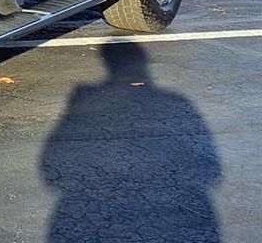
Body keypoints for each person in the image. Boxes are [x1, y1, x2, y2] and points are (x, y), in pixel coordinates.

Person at [40, 43, 221, 243]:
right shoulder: (175, 101)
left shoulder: (83, 100)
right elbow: (211, 171)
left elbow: (49, 170)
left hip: (80, 210)